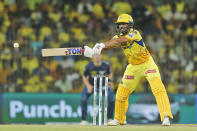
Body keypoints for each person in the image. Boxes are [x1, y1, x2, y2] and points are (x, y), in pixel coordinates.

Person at [84, 14, 173, 126]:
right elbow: (110, 45)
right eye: (120, 24)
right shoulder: (117, 37)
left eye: (124, 24)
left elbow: (120, 40)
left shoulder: (135, 33)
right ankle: (119, 119)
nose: (121, 26)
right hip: (133, 67)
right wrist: (94, 51)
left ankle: (165, 117)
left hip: (147, 64)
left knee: (158, 88)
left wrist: (101, 45)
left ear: (130, 25)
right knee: (121, 93)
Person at [80, 54, 114, 125]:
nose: (97, 57)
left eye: (99, 55)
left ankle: (109, 118)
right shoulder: (88, 66)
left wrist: (109, 81)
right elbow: (84, 77)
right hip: (91, 85)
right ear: (93, 57)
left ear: (101, 56)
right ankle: (84, 120)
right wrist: (88, 86)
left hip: (104, 86)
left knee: (111, 99)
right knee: (83, 99)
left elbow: (110, 74)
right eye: (96, 55)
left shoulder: (106, 65)